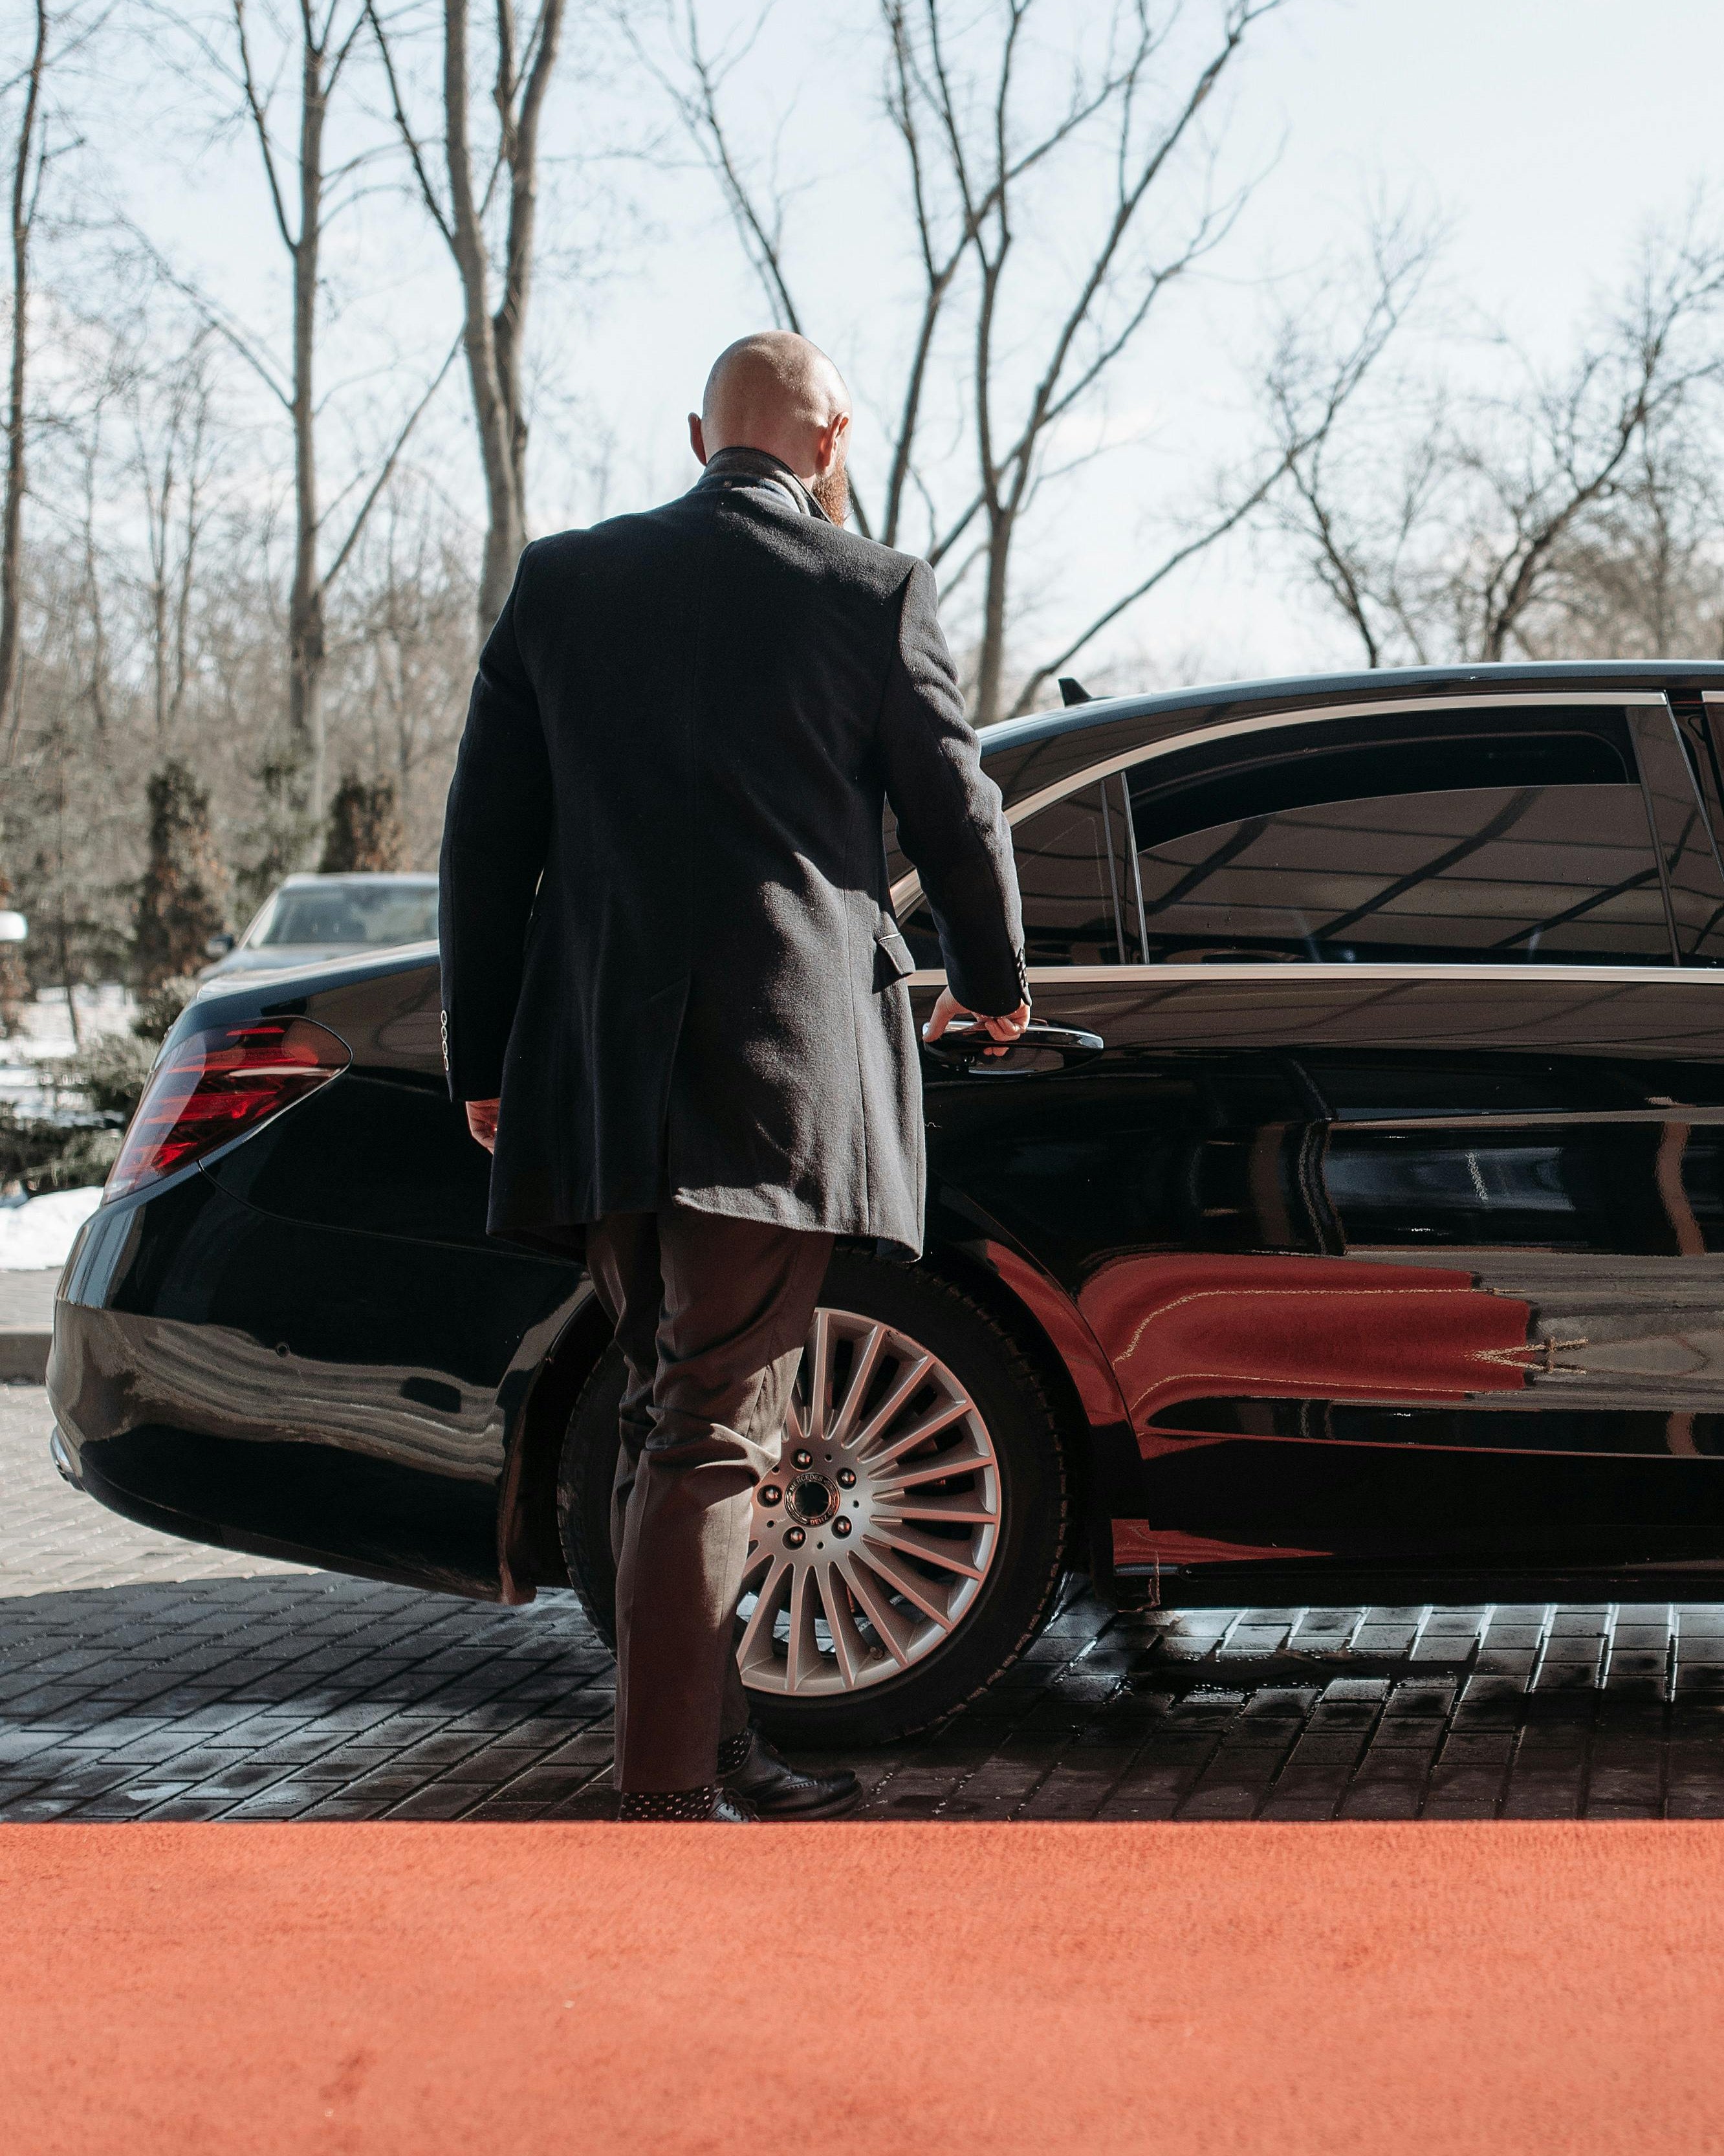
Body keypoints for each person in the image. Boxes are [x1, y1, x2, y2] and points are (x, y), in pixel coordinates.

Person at [439, 330, 1029, 1823]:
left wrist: (483, 1054)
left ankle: (712, 1744)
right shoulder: (869, 588)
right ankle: (665, 1789)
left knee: (671, 1409)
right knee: (710, 1423)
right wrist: (994, 979)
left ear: (696, 432)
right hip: (772, 1077)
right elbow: (958, 812)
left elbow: (482, 838)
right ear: (829, 444)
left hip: (597, 1071)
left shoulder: (562, 584)